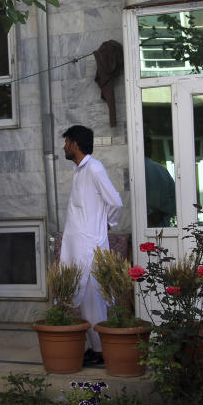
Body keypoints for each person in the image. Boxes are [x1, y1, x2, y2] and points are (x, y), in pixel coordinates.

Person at [59, 125, 123, 365]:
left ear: (75, 144)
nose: (64, 147)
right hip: (80, 245)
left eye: (66, 142)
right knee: (85, 299)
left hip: (90, 246)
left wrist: (106, 225)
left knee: (94, 298)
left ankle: (102, 351)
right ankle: (96, 348)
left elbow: (115, 202)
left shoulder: (94, 168)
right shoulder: (80, 171)